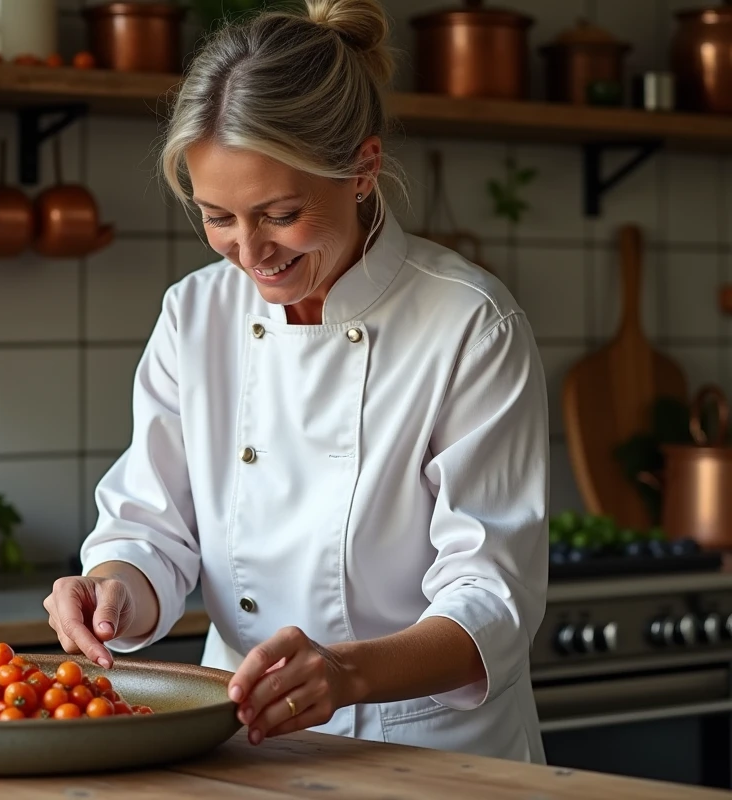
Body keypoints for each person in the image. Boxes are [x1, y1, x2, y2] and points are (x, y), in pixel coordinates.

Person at [42, 0, 549, 763]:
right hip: (231, 741)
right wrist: (113, 585)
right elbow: (152, 527)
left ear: (363, 169)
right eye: (217, 217)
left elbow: (492, 598)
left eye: (280, 214)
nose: (249, 253)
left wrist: (344, 672)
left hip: (430, 757)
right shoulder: (195, 314)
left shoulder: (470, 325)